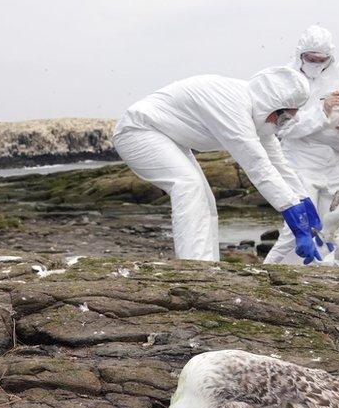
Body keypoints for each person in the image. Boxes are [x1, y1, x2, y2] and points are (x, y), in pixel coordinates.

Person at [113, 67, 324, 263]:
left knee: (206, 200)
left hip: (167, 137)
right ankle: (194, 270)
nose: (283, 124)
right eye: (285, 117)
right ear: (272, 105)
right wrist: (294, 218)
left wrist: (305, 203)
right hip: (138, 131)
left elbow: (278, 164)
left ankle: (209, 266)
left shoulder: (256, 116)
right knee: (189, 185)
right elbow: (258, 167)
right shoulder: (233, 106)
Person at [264, 27, 339, 266]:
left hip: (337, 164)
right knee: (297, 226)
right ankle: (269, 271)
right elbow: (284, 128)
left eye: (322, 60)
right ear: (300, 54)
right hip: (300, 163)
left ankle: (327, 274)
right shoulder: (286, 81)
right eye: (311, 59)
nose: (316, 64)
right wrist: (322, 111)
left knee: (337, 225)